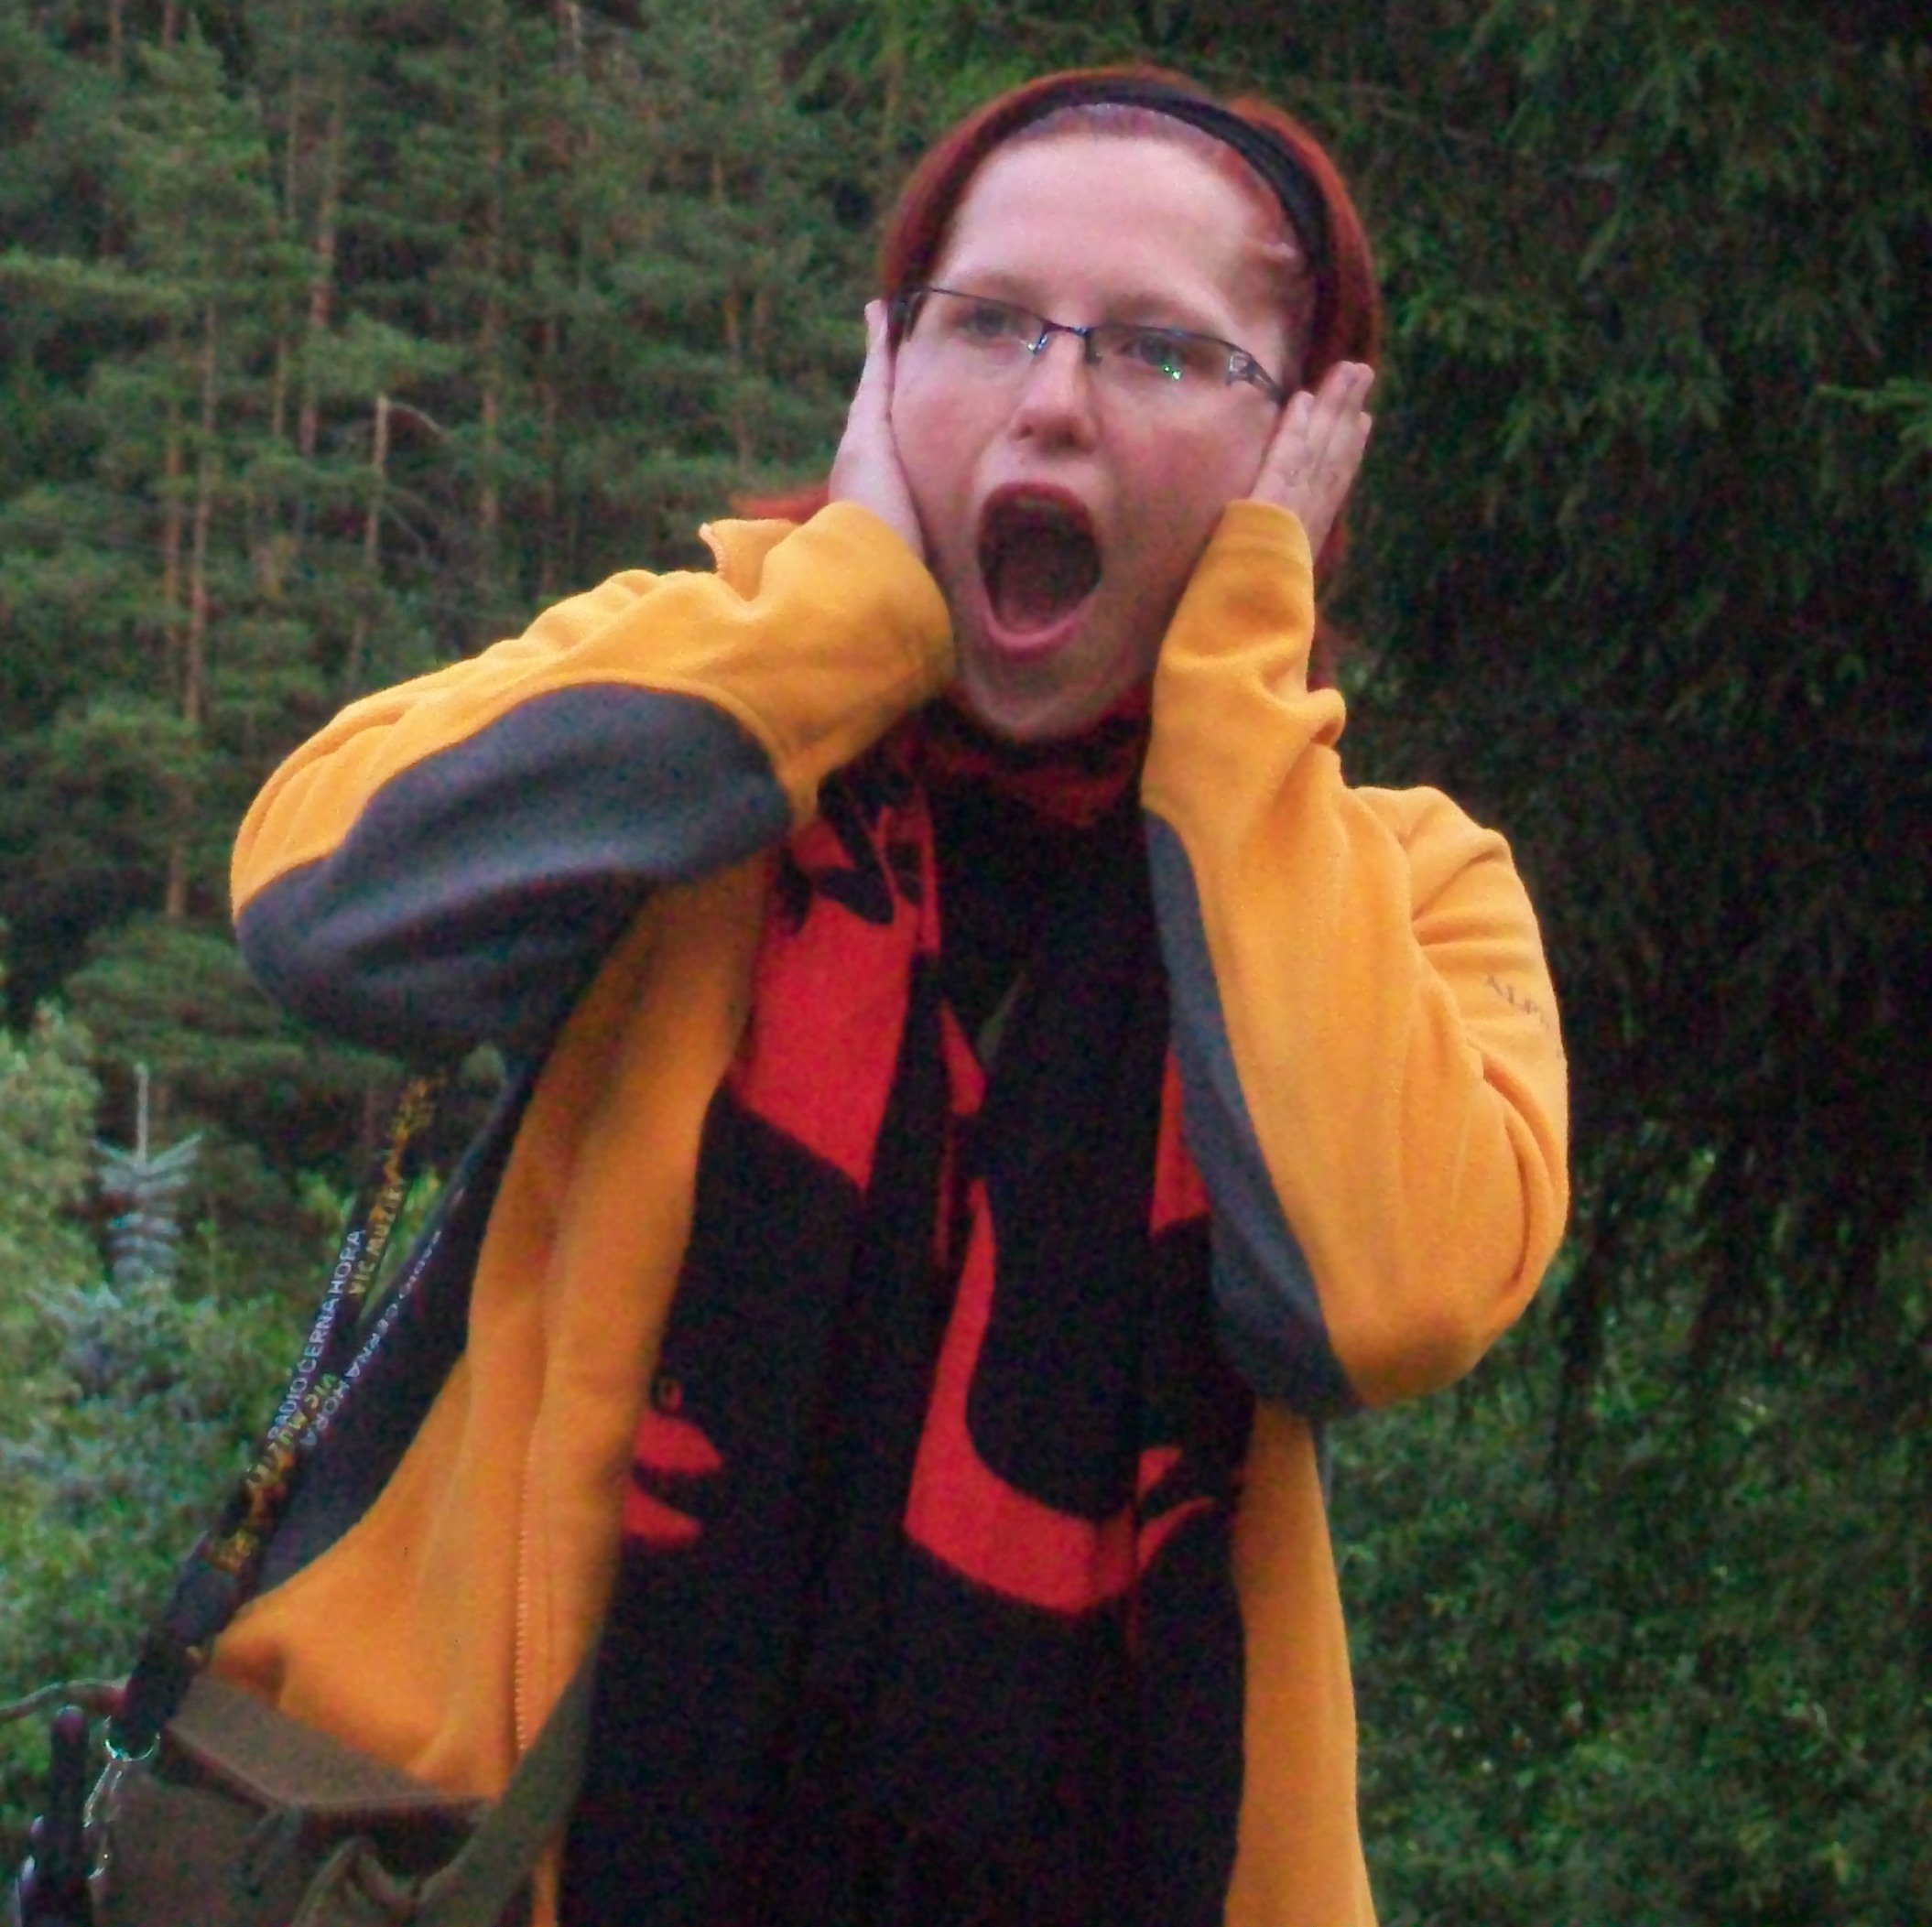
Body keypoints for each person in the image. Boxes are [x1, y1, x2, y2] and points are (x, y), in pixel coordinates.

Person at [215, 66, 1568, 1927]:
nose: (1051, 402)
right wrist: (837, 613)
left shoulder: (1408, 893)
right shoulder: (709, 718)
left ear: (1303, 448)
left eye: (1162, 352)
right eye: (984, 321)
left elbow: (1374, 1297)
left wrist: (1236, 699)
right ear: (882, 366)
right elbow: (321, 917)